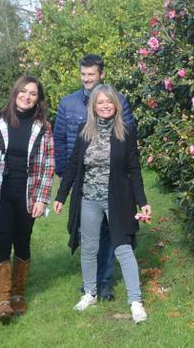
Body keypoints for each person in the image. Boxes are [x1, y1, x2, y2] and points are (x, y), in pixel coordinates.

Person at [52, 84, 151, 324]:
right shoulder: (84, 131)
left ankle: (135, 301)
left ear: (115, 105)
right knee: (89, 248)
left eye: (109, 102)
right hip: (88, 199)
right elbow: (74, 166)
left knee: (123, 248)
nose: (105, 106)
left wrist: (142, 202)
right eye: (100, 102)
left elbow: (133, 169)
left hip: (117, 199)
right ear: (93, 106)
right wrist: (61, 196)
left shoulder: (125, 130)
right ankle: (90, 293)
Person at [53, 54, 134, 301]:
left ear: (101, 74)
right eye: (83, 75)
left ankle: (105, 280)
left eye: (91, 75)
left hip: (111, 178)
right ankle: (90, 284)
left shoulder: (117, 101)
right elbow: (60, 139)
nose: (87, 79)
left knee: (110, 233)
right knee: (86, 233)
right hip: (79, 176)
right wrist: (62, 172)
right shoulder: (68, 103)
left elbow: (127, 136)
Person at [0, 76, 55, 323]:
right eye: (23, 91)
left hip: (28, 192)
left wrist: (42, 198)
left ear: (38, 98)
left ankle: (18, 293)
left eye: (32, 93)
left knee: (22, 241)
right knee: (2, 241)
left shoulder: (43, 126)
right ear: (15, 93)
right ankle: (2, 299)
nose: (27, 96)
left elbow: (47, 164)